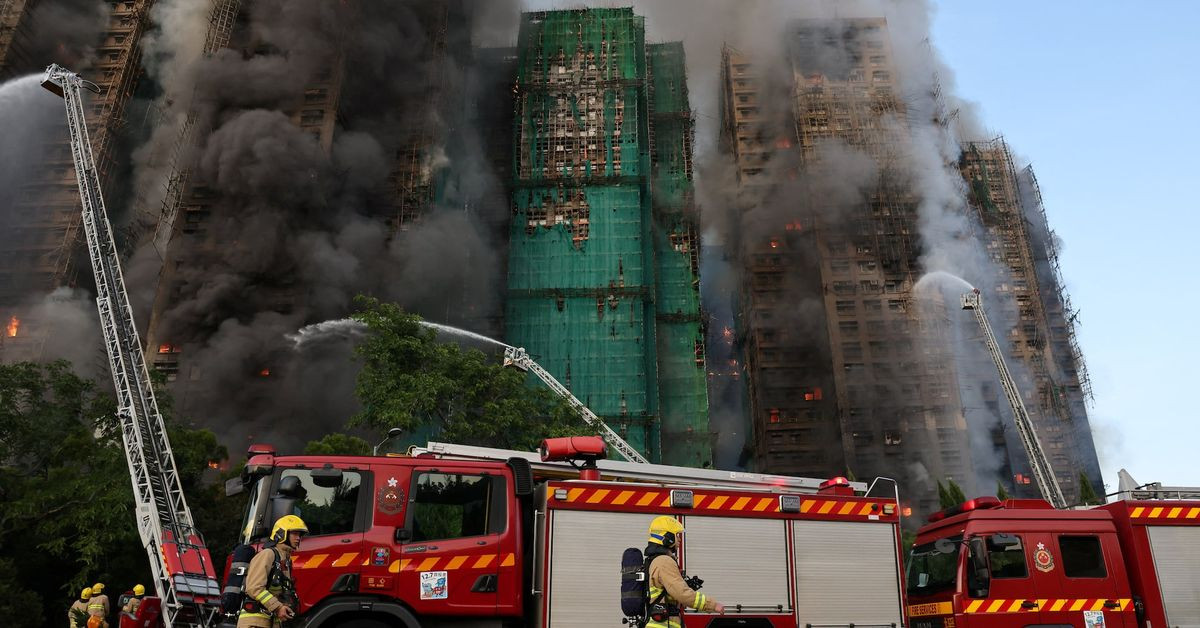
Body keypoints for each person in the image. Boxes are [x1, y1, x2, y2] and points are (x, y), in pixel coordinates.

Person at [644, 516, 724, 628]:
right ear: (667, 537)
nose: (679, 539)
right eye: (677, 535)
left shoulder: (655, 560)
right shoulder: (664, 561)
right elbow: (681, 593)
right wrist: (713, 605)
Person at [237, 515, 306, 627]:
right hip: (254, 621)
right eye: (295, 533)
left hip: (269, 621)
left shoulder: (286, 560)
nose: (298, 538)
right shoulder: (268, 554)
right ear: (281, 533)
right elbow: (254, 587)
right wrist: (278, 607)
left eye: (300, 535)